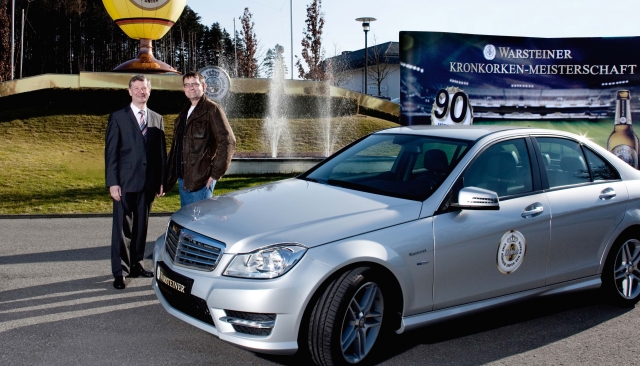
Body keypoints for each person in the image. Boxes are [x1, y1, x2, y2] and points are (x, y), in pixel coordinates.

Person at [105, 74, 166, 290]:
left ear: (150, 91)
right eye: (137, 88)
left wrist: (161, 181)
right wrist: (113, 182)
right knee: (122, 229)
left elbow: (160, 154)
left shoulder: (157, 118)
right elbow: (111, 154)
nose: (142, 92)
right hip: (124, 182)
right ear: (130, 91)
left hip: (148, 183)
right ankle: (120, 271)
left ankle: (136, 264)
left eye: (145, 88)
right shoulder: (118, 118)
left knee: (142, 226)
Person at [165, 71, 236, 206]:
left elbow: (228, 141)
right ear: (183, 89)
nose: (191, 87)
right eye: (187, 85)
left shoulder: (212, 109)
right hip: (183, 178)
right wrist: (167, 178)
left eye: (195, 84)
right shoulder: (183, 114)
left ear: (204, 87)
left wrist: (215, 174)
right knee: (188, 222)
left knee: (200, 223)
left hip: (201, 179)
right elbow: (176, 147)